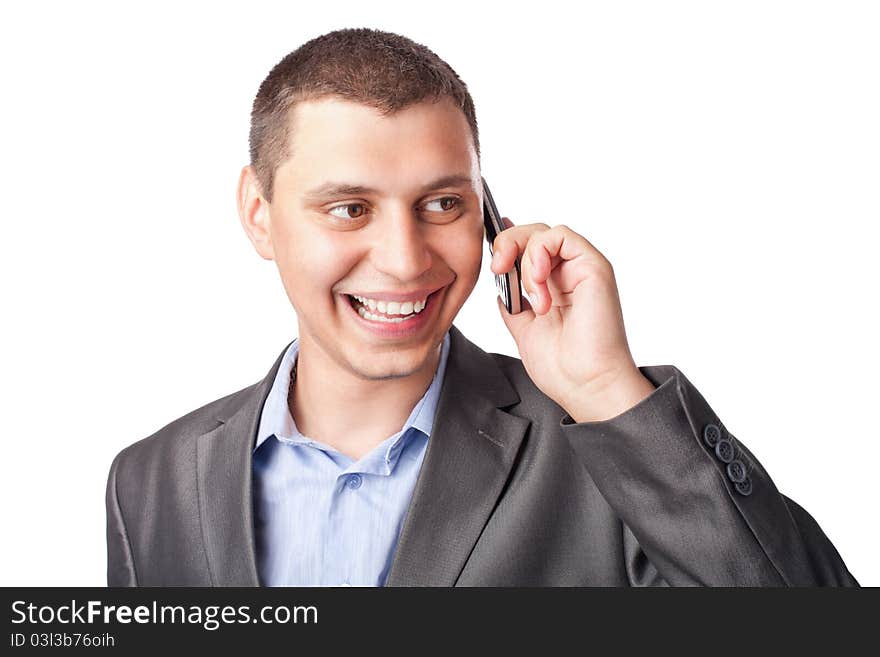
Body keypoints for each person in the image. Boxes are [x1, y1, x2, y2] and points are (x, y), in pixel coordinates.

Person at [106, 27, 858, 587]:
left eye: (441, 202)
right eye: (349, 208)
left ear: (488, 214)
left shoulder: (603, 454)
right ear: (259, 213)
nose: (405, 259)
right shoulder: (150, 480)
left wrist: (602, 390)